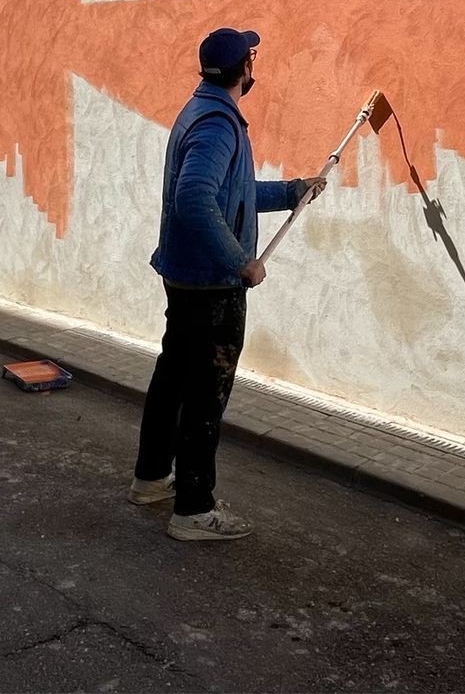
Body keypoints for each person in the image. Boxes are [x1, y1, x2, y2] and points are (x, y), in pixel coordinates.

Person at [132, 27, 326, 541]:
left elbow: (229, 194)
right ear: (246, 67)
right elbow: (195, 198)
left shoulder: (202, 111)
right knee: (204, 395)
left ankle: (151, 479)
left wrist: (291, 190)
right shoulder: (219, 124)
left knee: (173, 379)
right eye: (253, 57)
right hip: (211, 285)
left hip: (187, 277)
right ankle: (194, 510)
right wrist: (241, 262)